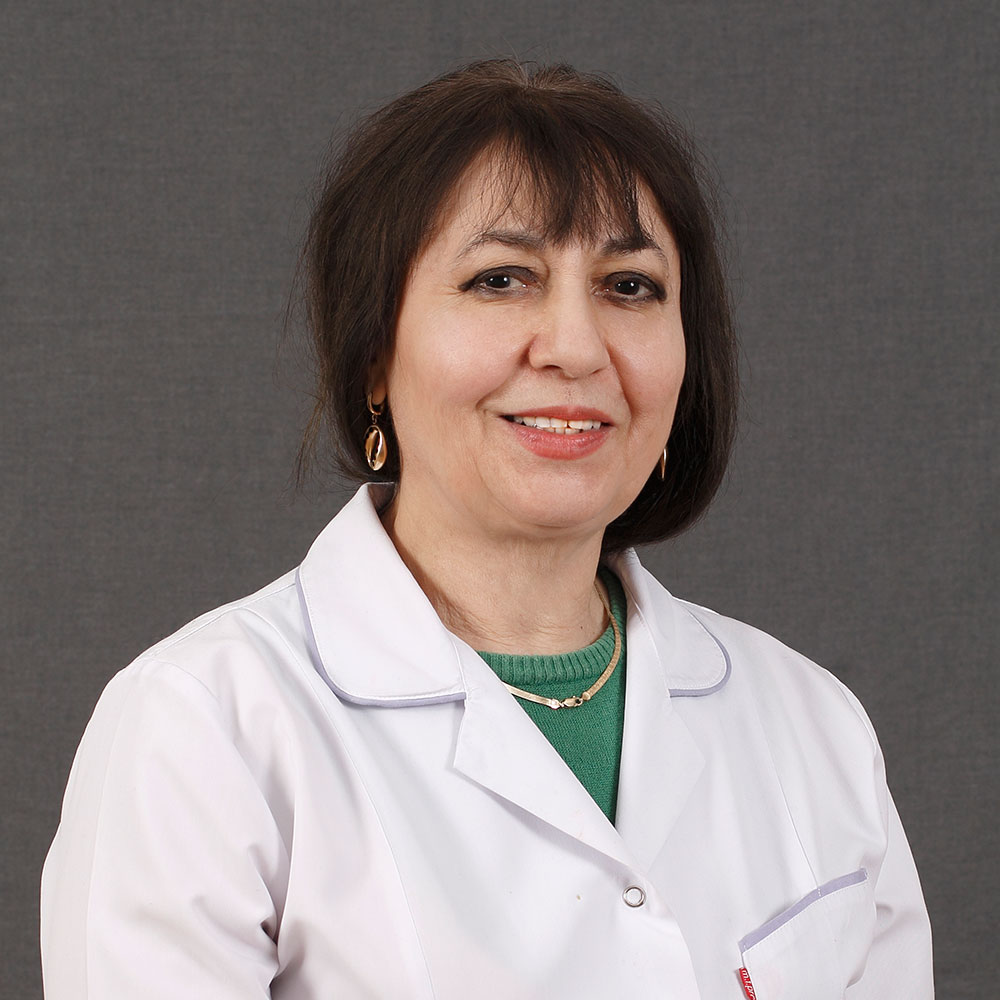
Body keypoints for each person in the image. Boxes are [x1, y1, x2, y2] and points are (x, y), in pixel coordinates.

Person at [40, 60, 933, 998]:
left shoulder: (813, 726)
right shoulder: (201, 729)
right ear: (373, 353)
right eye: (501, 279)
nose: (576, 348)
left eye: (630, 287)